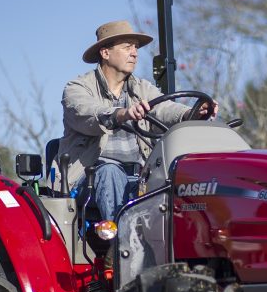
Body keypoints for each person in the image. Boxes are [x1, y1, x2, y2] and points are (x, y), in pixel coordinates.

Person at [56, 20, 216, 221]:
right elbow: (86, 112)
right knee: (110, 172)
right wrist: (121, 114)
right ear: (105, 53)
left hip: (137, 178)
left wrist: (193, 112)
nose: (135, 52)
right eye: (127, 47)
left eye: (136, 47)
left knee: (181, 180)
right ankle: (121, 243)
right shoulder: (77, 88)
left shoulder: (141, 88)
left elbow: (164, 108)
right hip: (88, 179)